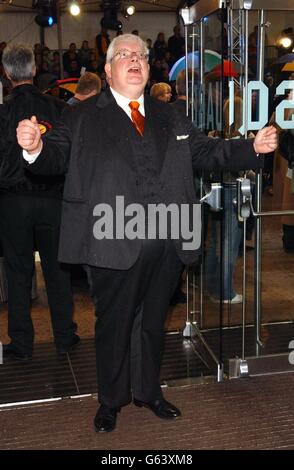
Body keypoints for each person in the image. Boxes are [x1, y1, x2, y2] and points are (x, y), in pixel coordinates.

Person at [16, 34, 277, 432]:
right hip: (110, 239)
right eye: (124, 55)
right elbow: (55, 154)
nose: (134, 60)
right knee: (114, 325)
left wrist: (252, 148)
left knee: (153, 322)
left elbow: (205, 151)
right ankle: (111, 400)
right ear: (107, 70)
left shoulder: (170, 114)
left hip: (169, 240)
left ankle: (148, 391)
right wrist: (34, 147)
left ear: (148, 66)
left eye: (140, 55)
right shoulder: (83, 116)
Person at [0, 44, 79, 361]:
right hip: (52, 200)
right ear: (33, 70)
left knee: (18, 274)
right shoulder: (59, 108)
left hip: (13, 203)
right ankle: (64, 337)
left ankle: (21, 344)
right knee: (57, 272)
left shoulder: (3, 113)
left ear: (6, 75)